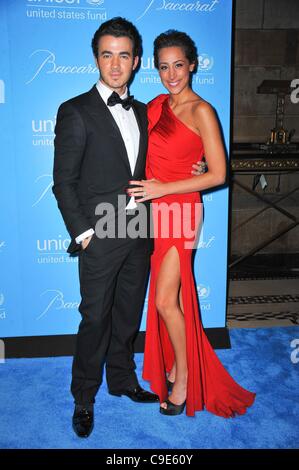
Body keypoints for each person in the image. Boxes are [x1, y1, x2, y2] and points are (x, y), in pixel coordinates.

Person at [53, 19, 205, 437]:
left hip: (142, 232)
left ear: (137, 61)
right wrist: (84, 234)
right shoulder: (75, 111)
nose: (116, 64)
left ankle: (122, 380)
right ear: (96, 58)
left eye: (124, 55)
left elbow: (178, 153)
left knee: (127, 315)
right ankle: (84, 398)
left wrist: (201, 164)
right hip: (100, 236)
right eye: (107, 54)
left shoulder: (149, 110)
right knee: (94, 318)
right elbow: (63, 182)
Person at [129, 30, 256, 417]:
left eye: (178, 65)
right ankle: (174, 364)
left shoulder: (202, 111)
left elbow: (217, 174)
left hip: (181, 209)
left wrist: (167, 185)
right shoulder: (154, 106)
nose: (171, 74)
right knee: (174, 300)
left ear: (193, 65)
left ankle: (184, 378)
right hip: (154, 211)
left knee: (166, 300)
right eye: (164, 67)